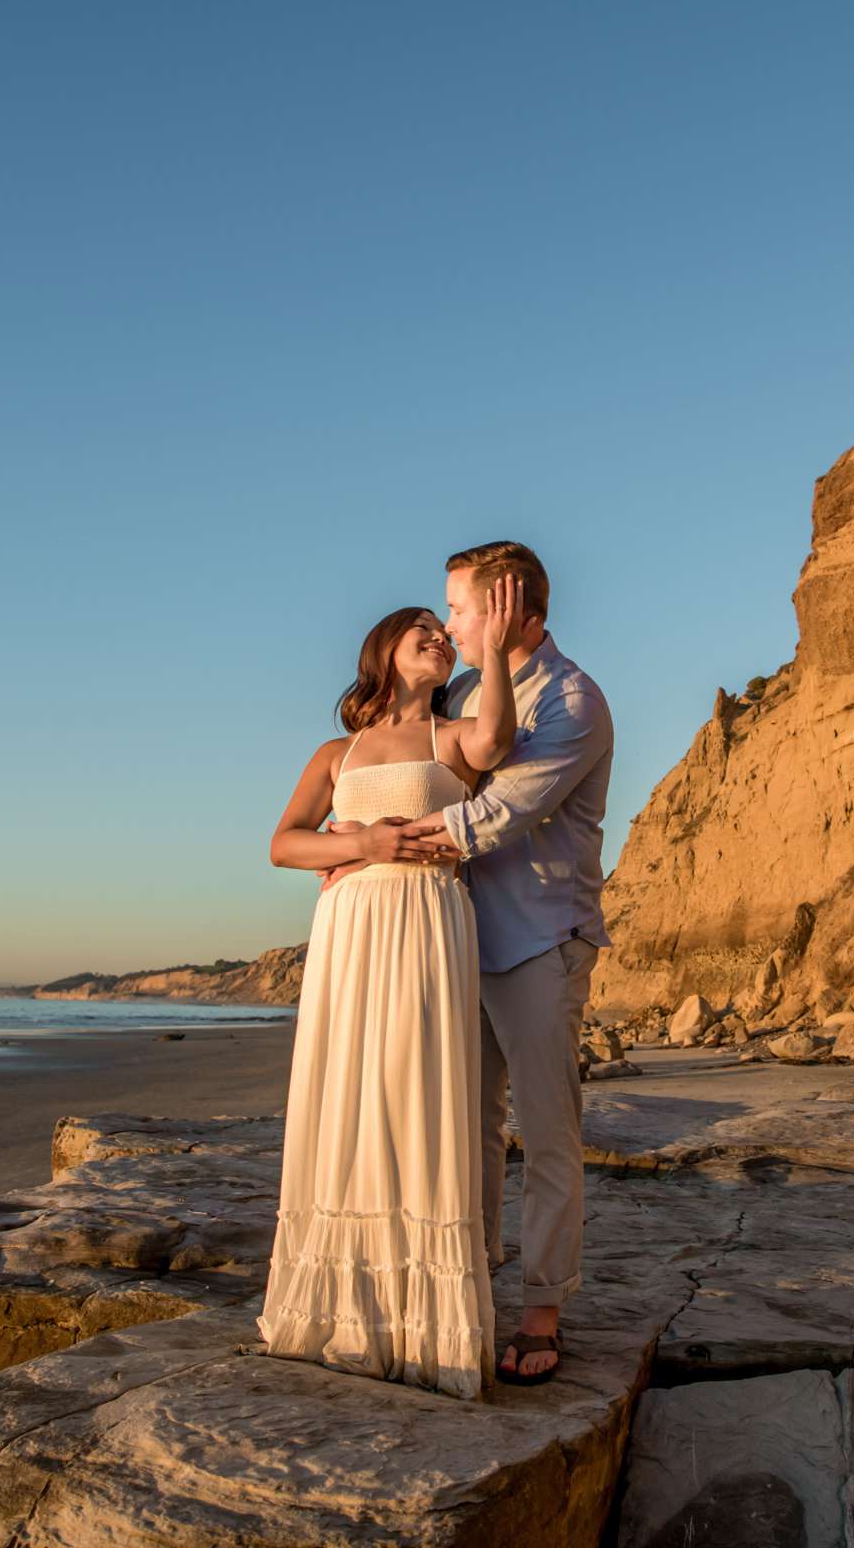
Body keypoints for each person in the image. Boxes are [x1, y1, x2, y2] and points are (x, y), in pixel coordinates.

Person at [324, 540, 613, 1386]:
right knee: (466, 1129)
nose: (446, 625)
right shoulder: (454, 693)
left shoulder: (572, 700)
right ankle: (468, 1292)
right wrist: (354, 841)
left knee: (548, 1129)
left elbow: (497, 814)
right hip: (449, 940)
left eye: (457, 608)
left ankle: (542, 1309)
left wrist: (374, 847)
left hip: (537, 938)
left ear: (506, 604)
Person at [256, 576, 523, 1400]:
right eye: (422, 633)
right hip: (351, 930)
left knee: (414, 1091)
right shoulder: (334, 755)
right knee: (348, 1094)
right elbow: (281, 844)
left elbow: (498, 743)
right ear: (383, 653)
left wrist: (503, 653)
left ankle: (424, 1322)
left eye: (443, 636)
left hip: (424, 924)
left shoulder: (451, 737)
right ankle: (339, 1306)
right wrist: (361, 842)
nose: (439, 641)